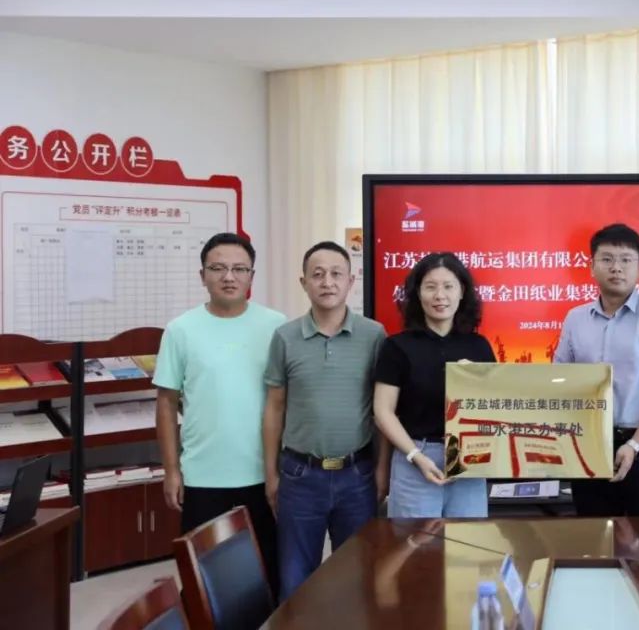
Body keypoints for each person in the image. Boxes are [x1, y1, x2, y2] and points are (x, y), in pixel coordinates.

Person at [154, 232, 286, 596]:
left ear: (251, 276)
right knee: (205, 581)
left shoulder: (277, 326)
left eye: (239, 269)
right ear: (202, 275)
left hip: (264, 475)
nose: (229, 277)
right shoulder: (180, 330)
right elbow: (166, 403)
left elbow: (288, 398)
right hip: (202, 476)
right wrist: (171, 470)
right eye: (218, 268)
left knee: (266, 576)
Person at [263, 241, 387, 600]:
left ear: (351, 281)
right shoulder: (285, 337)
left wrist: (382, 470)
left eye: (336, 274)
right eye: (317, 275)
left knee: (358, 579)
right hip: (300, 476)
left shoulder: (373, 335)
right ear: (303, 283)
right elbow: (274, 408)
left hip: (357, 475)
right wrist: (271, 473)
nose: (327, 282)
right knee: (295, 582)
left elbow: (383, 410)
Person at [553, 223, 639, 517]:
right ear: (592, 266)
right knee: (594, 532)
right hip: (589, 443)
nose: (616, 267)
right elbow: (559, 378)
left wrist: (634, 444)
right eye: (607, 259)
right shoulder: (576, 319)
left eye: (626, 260)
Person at [373, 252, 496, 517]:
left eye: (448, 286)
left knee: (468, 542)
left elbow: (496, 409)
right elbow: (382, 411)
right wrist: (415, 456)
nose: (440, 295)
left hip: (469, 459)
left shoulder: (479, 346)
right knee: (415, 543)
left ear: (462, 292)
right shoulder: (397, 347)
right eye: (430, 287)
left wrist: (477, 381)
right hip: (415, 457)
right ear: (417, 294)